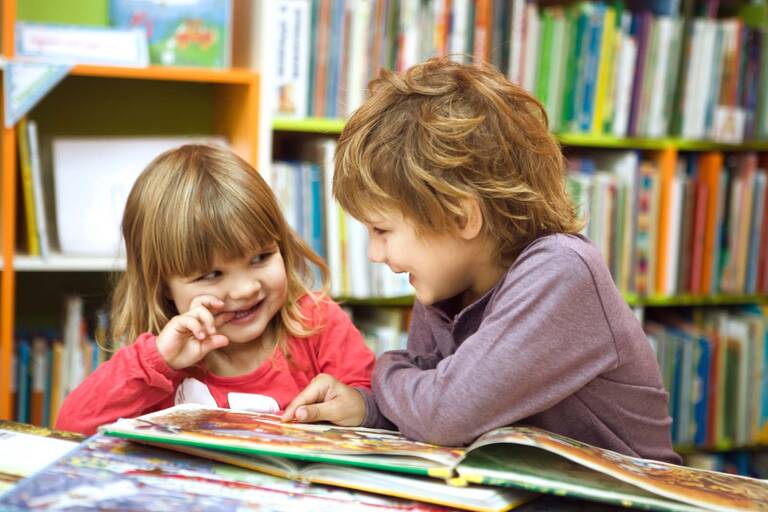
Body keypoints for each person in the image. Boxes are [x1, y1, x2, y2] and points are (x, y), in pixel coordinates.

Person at [283, 57, 680, 464]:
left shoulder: (562, 270)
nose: (374, 254)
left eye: (382, 231)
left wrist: (385, 369)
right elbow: (428, 413)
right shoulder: (446, 288)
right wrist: (368, 410)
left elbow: (445, 414)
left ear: (461, 217)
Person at [57, 144, 374, 436]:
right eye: (212, 275)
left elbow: (374, 408)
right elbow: (73, 425)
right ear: (163, 285)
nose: (246, 289)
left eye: (261, 257)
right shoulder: (163, 360)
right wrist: (157, 360)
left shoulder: (318, 322)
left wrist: (357, 405)